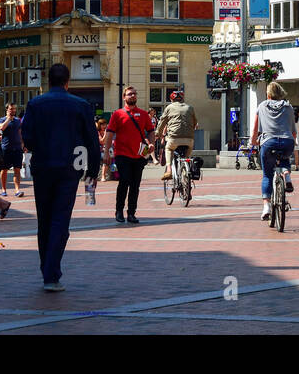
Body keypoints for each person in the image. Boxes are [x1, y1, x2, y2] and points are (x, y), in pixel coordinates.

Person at [21, 63, 102, 292]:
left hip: (42, 167)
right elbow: (92, 143)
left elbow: (27, 136)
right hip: (69, 168)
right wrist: (92, 173)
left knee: (44, 220)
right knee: (60, 220)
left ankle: (46, 269)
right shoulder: (81, 105)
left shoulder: (35, 104)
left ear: (48, 81)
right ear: (68, 81)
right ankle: (51, 273)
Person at [106, 86, 155, 224]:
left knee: (135, 185)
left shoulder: (143, 114)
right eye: (129, 94)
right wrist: (106, 152)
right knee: (124, 182)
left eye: (134, 94)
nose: (132, 96)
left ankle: (131, 213)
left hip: (139, 155)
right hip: (122, 154)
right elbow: (109, 133)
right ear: (124, 97)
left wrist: (151, 143)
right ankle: (119, 210)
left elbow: (151, 131)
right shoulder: (117, 114)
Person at [251, 81, 296, 221]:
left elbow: (255, 129)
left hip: (268, 143)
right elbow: (293, 132)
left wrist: (253, 142)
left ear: (268, 94)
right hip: (287, 142)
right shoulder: (288, 107)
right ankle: (287, 176)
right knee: (284, 159)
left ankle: (266, 207)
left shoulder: (262, 106)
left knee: (267, 175)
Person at [155, 90, 198, 182]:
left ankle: (169, 170)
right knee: (186, 157)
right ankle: (187, 172)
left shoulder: (169, 107)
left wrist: (157, 134)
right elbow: (195, 123)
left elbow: (162, 122)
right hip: (189, 139)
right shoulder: (190, 108)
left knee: (168, 149)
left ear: (171, 99)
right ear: (182, 99)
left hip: (174, 138)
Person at [0, 103, 25, 198]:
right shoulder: (2, 120)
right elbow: (1, 128)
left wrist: (22, 144)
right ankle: (3, 189)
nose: (13, 110)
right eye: (11, 109)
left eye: (14, 109)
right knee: (4, 170)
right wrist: (8, 119)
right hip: (6, 148)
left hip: (17, 148)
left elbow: (20, 133)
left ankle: (17, 190)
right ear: (7, 109)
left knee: (17, 169)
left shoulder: (18, 121)